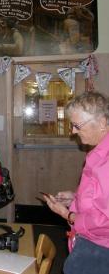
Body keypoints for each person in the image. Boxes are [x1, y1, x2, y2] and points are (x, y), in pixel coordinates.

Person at [43, 91, 109, 274]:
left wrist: (68, 215)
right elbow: (100, 196)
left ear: (102, 123)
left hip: (100, 251)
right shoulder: (99, 152)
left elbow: (105, 220)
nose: (73, 132)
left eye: (77, 126)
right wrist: (76, 197)